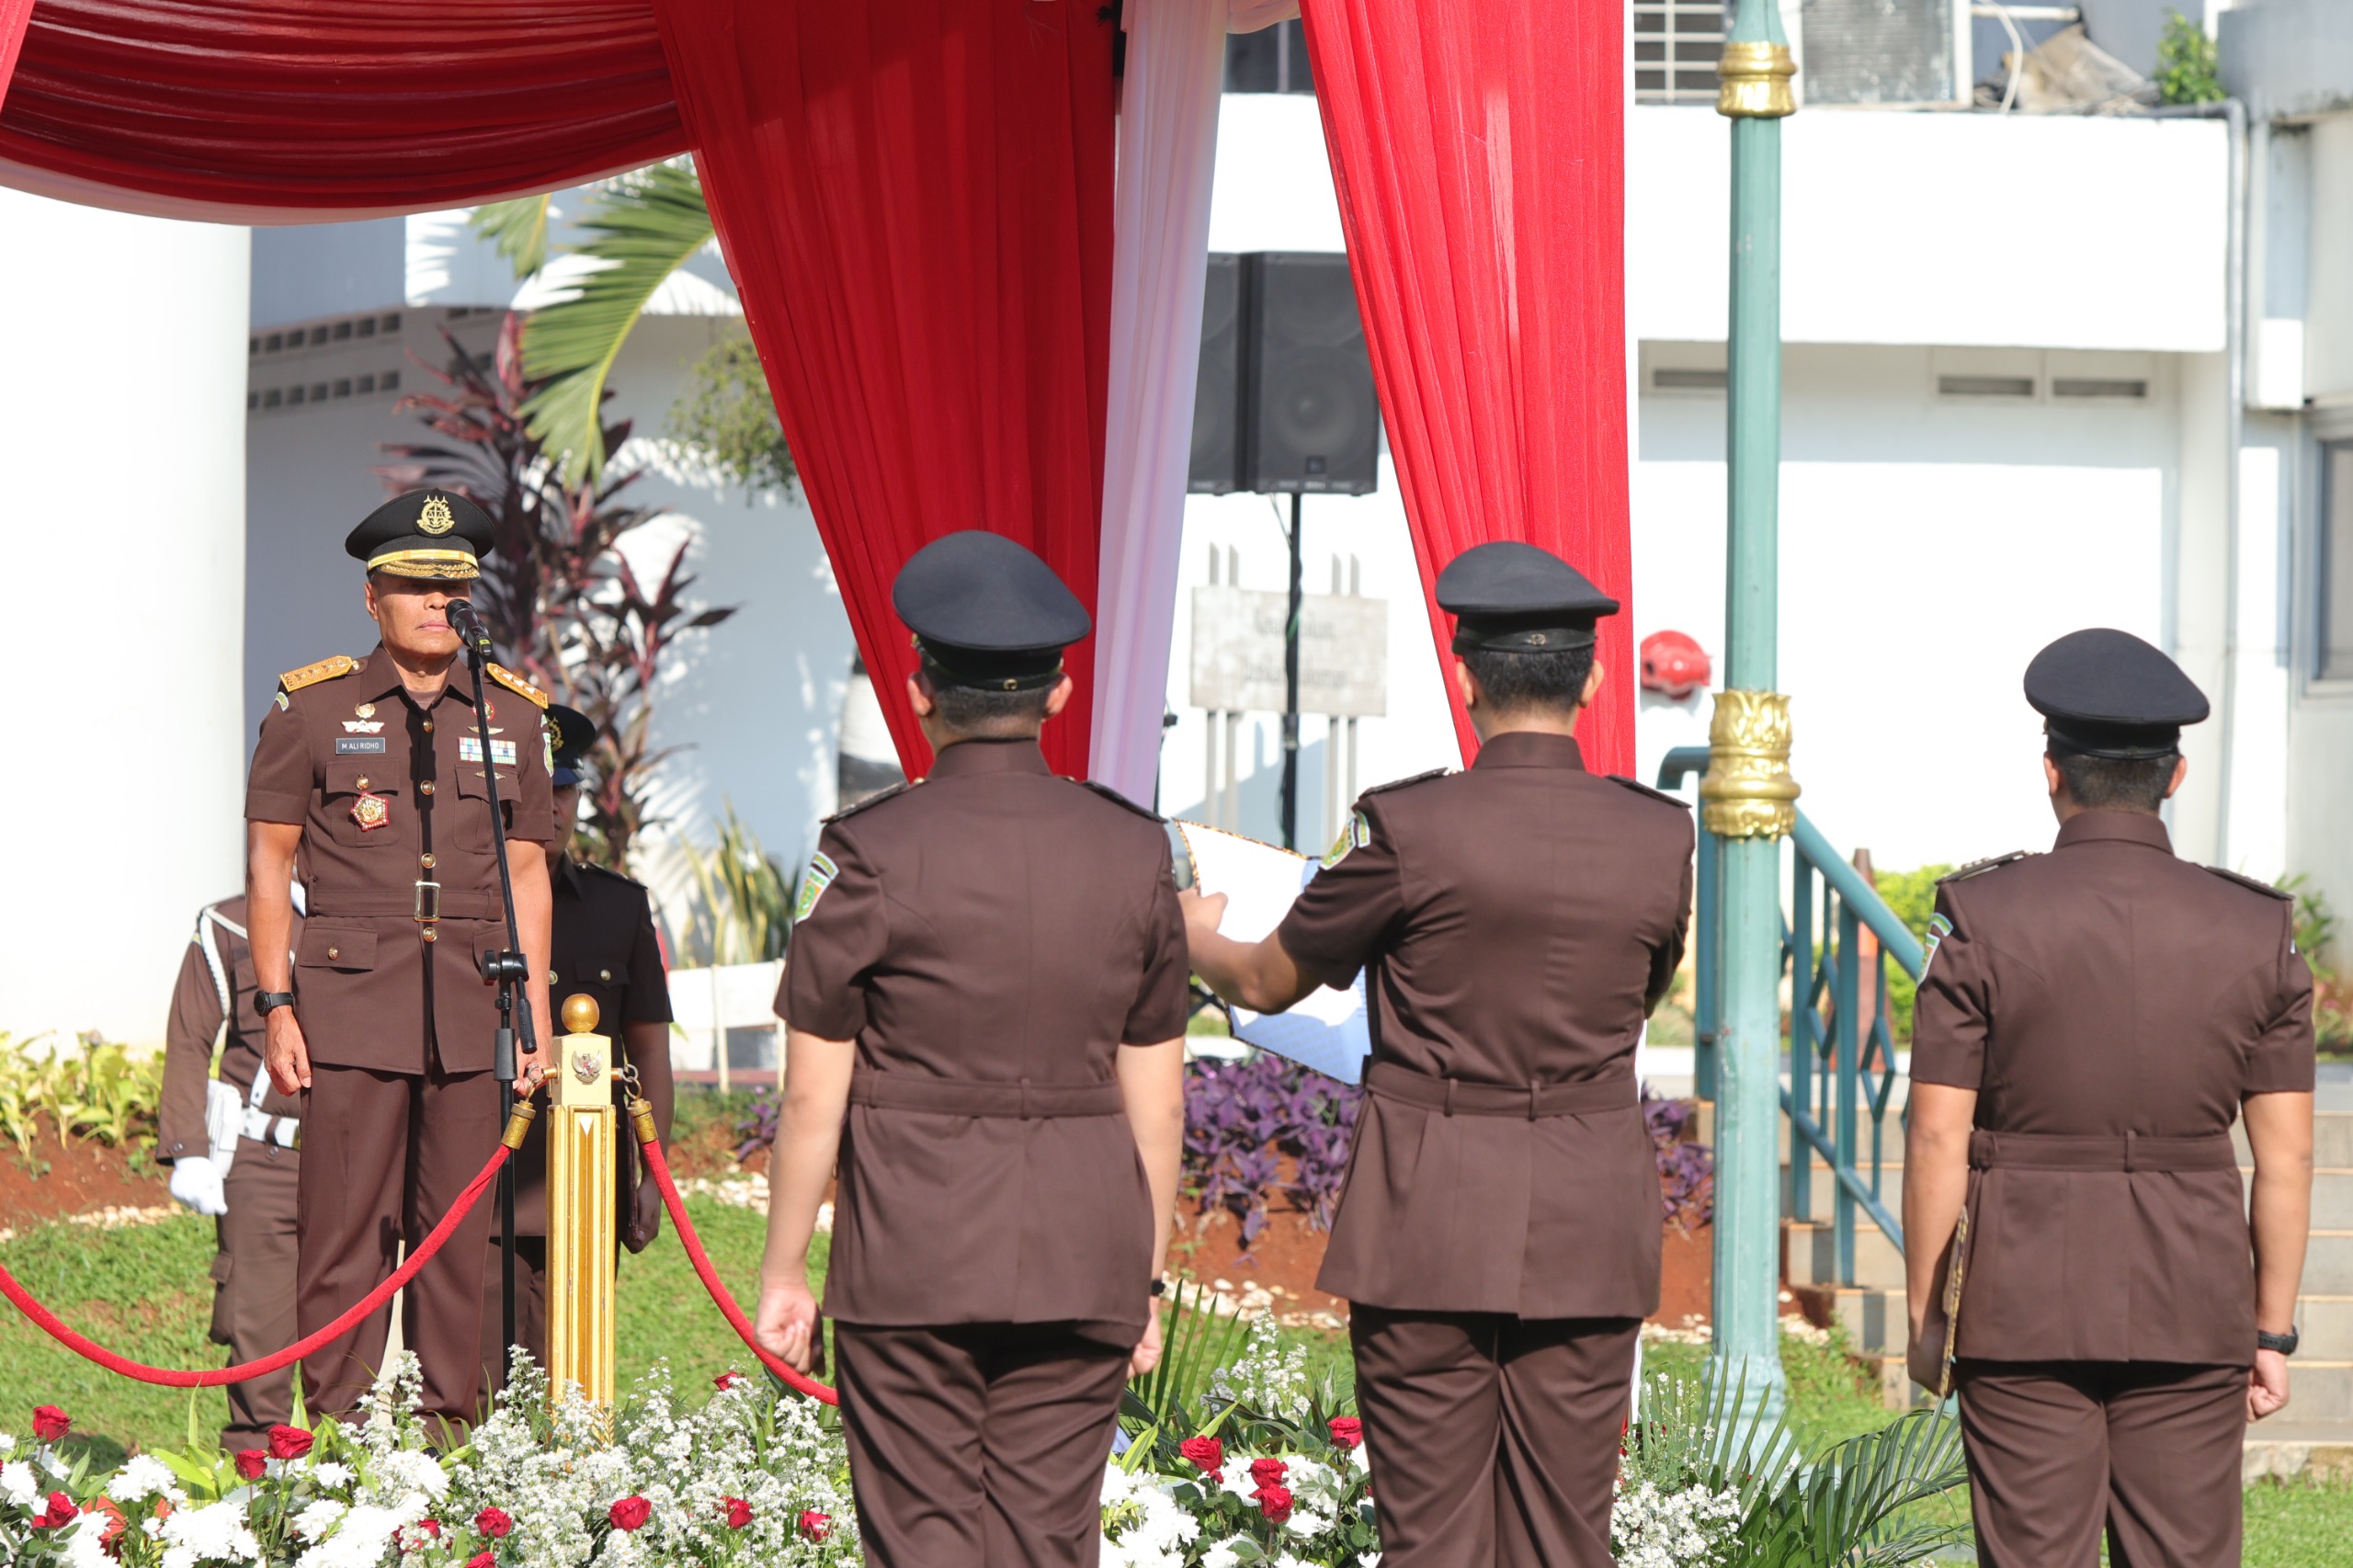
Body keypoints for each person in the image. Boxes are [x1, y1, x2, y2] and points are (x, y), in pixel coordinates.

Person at [1183, 540, 1692, 1568]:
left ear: (1465, 681)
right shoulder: (1659, 835)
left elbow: (1268, 982)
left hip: (1430, 1208)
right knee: (1565, 1536)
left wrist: (1193, 932)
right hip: (1587, 1210)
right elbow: (1637, 999)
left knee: (1430, 1537)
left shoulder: (1409, 826)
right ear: (1594, 682)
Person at [754, 531, 1189, 1568]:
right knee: (1048, 1542)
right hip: (1085, 1253)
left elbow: (813, 1098)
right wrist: (1145, 1276)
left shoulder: (867, 850)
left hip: (916, 1253)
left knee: (923, 1542)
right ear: (1058, 693)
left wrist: (784, 1271)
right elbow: (1160, 1102)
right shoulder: (1135, 848)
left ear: (919, 695)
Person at [1904, 627, 2315, 1568]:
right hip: (2193, 1294)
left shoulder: (1981, 914)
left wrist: (1930, 1315)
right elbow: (2287, 1155)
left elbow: (1934, 1137)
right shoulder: (2254, 926)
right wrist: (2271, 1327)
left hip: (2020, 1296)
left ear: (2051, 772)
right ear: (2175, 776)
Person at [244, 488, 557, 1426]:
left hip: (473, 1010)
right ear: (372, 597)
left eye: (451, 587)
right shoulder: (313, 708)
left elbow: (529, 874)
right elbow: (270, 861)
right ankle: (340, 1441)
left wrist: (534, 1020)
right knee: (344, 1235)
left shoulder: (515, 715)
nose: (436, 603)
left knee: (458, 1239)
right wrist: (276, 1004)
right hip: (350, 1011)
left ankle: (443, 1437)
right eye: (416, 586)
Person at [480, 703, 676, 1400]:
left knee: (577, 1381)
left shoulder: (618, 907)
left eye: (564, 789)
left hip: (585, 1180)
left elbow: (649, 1051)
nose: (554, 806)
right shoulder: (468, 905)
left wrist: (652, 1177)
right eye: (540, 789)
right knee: (478, 1380)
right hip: (481, 1176)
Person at [157, 887, 307, 1449]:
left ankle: (350, 1487)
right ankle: (252, 1490)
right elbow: (189, 1039)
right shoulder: (229, 923)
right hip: (263, 1161)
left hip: (362, 1160)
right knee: (257, 1350)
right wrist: (189, 1150)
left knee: (356, 1350)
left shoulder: (393, 911)